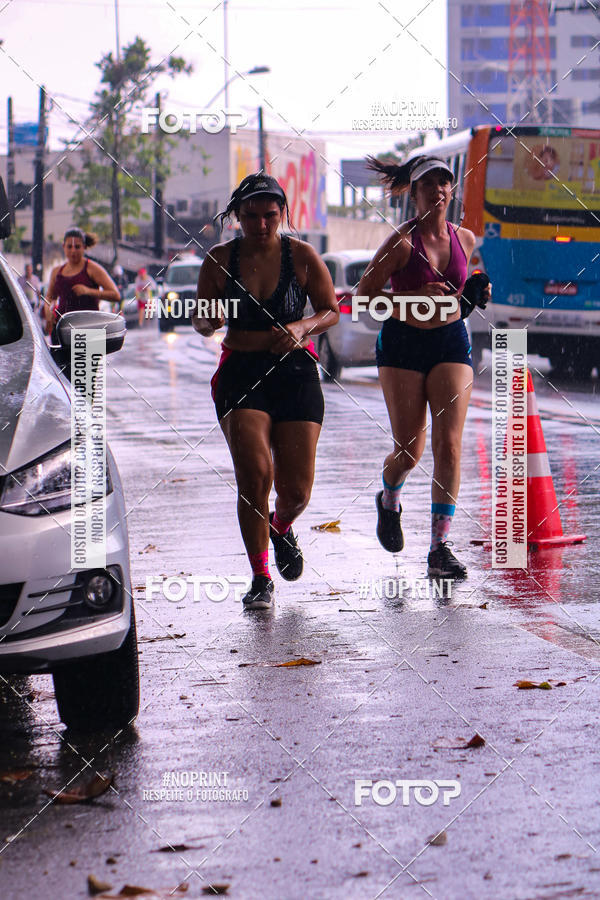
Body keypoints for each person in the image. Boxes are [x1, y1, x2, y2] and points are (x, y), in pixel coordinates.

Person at [193, 173, 339, 610]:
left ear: (282, 214)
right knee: (255, 476)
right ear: (237, 216)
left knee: (296, 491)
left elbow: (331, 311)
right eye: (251, 216)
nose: (260, 225)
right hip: (241, 369)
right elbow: (201, 319)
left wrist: (301, 326)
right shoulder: (219, 260)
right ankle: (259, 576)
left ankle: (281, 525)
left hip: (294, 371)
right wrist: (210, 319)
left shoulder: (303, 256)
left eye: (269, 216)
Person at [357, 155, 490, 579]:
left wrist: (474, 292)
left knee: (449, 446)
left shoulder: (465, 239)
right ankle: (389, 498)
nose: (437, 189)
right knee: (409, 450)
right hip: (402, 345)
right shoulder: (400, 242)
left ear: (451, 190)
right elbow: (363, 298)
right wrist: (413, 296)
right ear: (413, 194)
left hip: (450, 341)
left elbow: (461, 294)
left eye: (444, 182)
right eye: (428, 183)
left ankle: (439, 548)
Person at [45, 228, 120, 338]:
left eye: (77, 247)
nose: (73, 251)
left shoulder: (92, 269)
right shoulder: (56, 271)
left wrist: (88, 291)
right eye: (69, 247)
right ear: (63, 247)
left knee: (90, 356)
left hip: (90, 330)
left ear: (84, 247)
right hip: (63, 330)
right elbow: (49, 297)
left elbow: (116, 295)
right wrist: (47, 312)